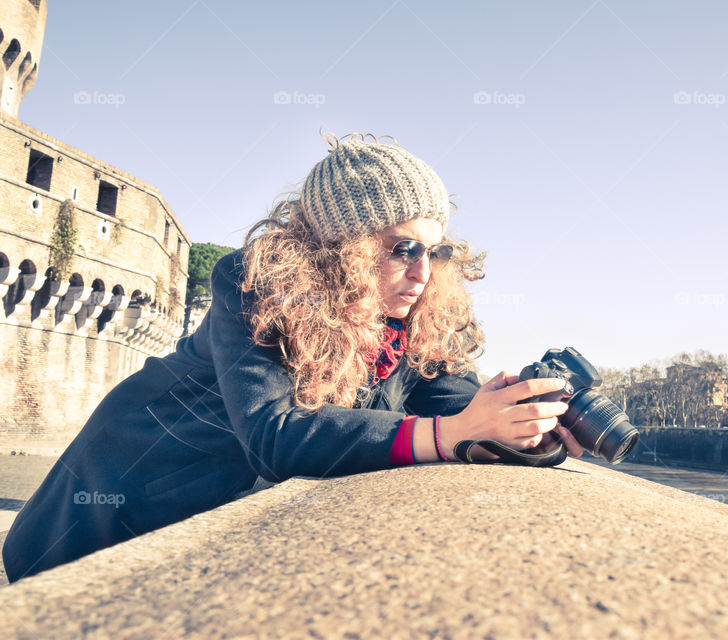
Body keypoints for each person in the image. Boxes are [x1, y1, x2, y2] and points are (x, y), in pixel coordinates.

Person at [2, 132, 583, 584]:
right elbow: (275, 435)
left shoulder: (420, 314)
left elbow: (460, 409)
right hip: (120, 501)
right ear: (343, 246)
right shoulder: (254, 283)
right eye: (401, 247)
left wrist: (526, 426)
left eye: (436, 250)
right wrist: (450, 431)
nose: (424, 271)